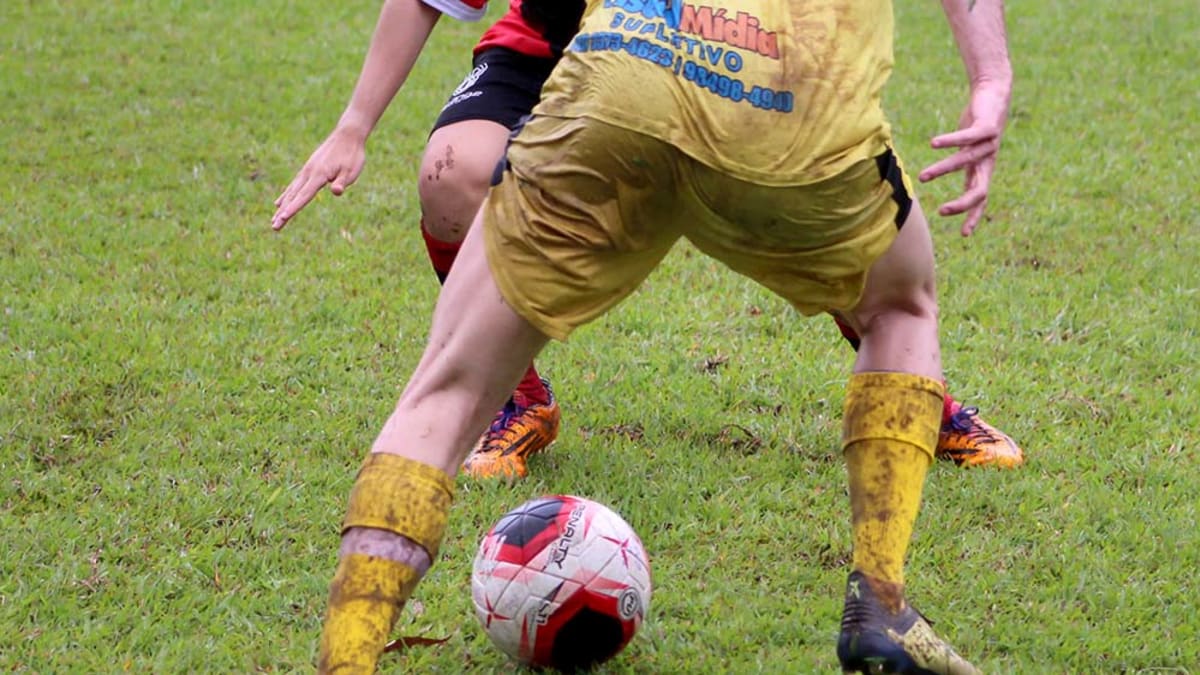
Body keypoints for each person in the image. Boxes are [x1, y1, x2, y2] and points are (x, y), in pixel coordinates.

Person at [276, 0, 1014, 672]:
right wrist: (990, 76)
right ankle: (879, 600)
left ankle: (346, 660)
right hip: (787, 97)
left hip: (628, 69)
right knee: (901, 303)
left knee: (449, 383)